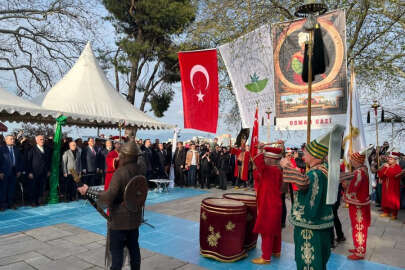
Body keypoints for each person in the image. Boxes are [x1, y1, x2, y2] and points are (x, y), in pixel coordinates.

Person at [283, 125, 344, 270]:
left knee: (309, 262)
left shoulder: (315, 173)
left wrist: (287, 166)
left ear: (315, 155)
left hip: (311, 225)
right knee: (321, 260)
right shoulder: (326, 169)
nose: (304, 157)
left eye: (306, 154)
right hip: (323, 223)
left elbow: (303, 183)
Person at [78, 142, 146, 270]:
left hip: (119, 221)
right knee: (134, 250)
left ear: (124, 156)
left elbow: (108, 197)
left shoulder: (120, 173)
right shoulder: (140, 170)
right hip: (135, 218)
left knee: (117, 256)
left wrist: (88, 191)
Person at [251, 145, 283, 264]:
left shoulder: (269, 170)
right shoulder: (277, 170)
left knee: (267, 230)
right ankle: (276, 251)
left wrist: (260, 149)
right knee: (276, 230)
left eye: (266, 158)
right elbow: (258, 174)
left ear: (270, 159)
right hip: (276, 203)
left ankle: (266, 257)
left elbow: (256, 160)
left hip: (268, 204)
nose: (264, 160)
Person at [342, 148, 371, 260]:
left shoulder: (358, 172)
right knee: (358, 227)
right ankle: (358, 247)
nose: (351, 162)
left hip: (358, 205)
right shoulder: (364, 170)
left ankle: (360, 252)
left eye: (352, 160)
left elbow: (354, 188)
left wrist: (346, 187)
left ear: (357, 161)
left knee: (359, 227)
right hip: (361, 203)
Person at [26, 135, 51, 206]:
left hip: (44, 172)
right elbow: (28, 161)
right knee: (33, 187)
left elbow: (48, 161)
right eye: (40, 139)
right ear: (36, 140)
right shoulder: (31, 149)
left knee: (41, 187)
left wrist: (48, 170)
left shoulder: (46, 149)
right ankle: (33, 201)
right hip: (34, 172)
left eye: (43, 139)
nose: (42, 141)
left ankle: (39, 201)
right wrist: (30, 172)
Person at [0, 135, 23, 210]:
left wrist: (19, 170)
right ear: (6, 140)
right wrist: (0, 172)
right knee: (3, 188)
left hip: (14, 172)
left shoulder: (16, 149)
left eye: (13, 139)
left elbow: (20, 161)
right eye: (11, 139)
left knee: (12, 189)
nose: (13, 140)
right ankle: (3, 205)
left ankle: (10, 204)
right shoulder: (1, 149)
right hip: (4, 172)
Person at [378, 151, 402, 219]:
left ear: (395, 160)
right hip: (385, 186)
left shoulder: (397, 167)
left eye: (391, 159)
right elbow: (381, 174)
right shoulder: (386, 166)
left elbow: (393, 175)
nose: (389, 160)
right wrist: (382, 169)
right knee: (385, 198)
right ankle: (386, 212)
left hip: (393, 188)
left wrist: (387, 169)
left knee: (393, 200)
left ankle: (394, 214)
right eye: (388, 158)